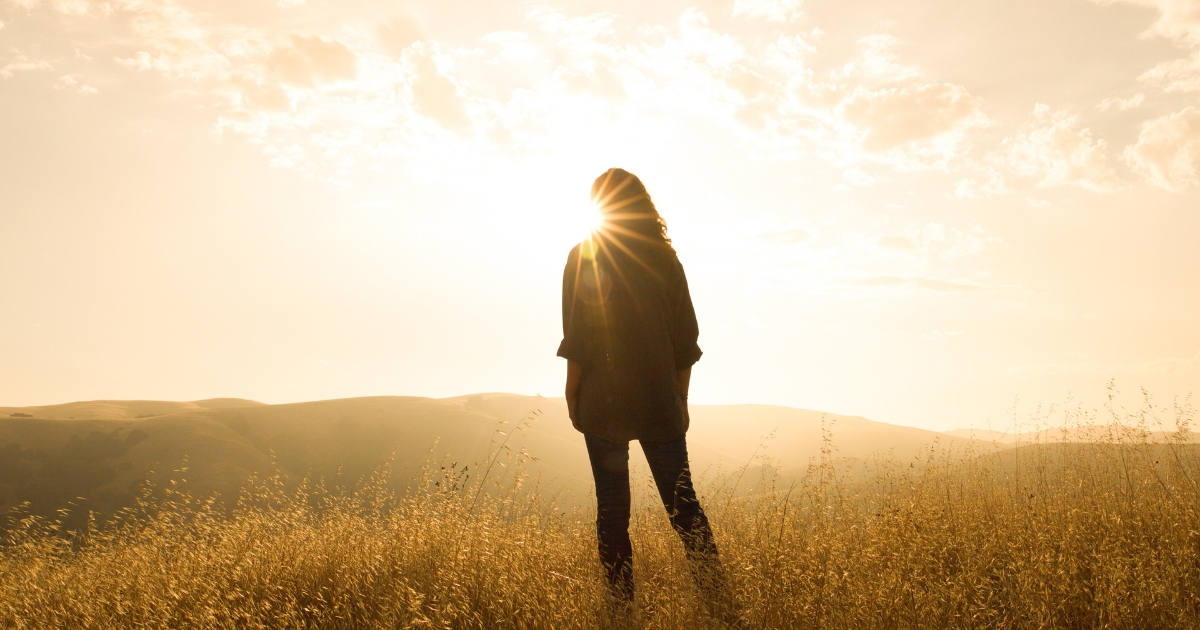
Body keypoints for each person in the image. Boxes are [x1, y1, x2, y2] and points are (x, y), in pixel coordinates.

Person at [558, 168, 731, 615]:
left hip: (603, 402)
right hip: (658, 401)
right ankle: (719, 603)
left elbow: (578, 335)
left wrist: (572, 394)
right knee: (685, 509)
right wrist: (682, 401)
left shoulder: (584, 256)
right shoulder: (665, 261)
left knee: (613, 514)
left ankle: (622, 611)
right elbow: (684, 342)